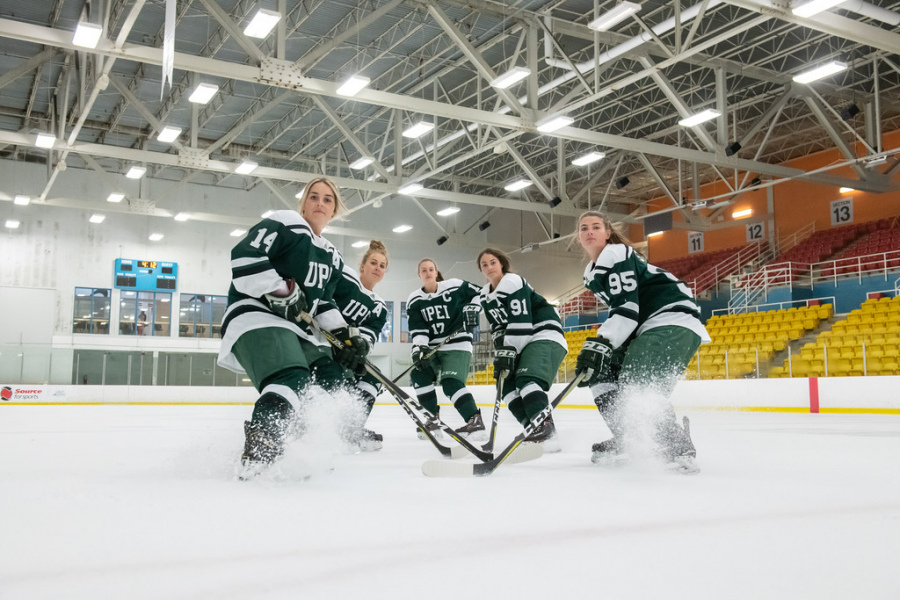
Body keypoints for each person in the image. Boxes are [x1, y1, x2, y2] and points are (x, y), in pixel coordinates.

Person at [217, 177, 370, 476]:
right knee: (293, 375)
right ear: (303, 203)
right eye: (314, 196)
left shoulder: (332, 255)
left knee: (329, 375)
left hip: (294, 328)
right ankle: (262, 441)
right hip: (255, 314)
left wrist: (344, 337)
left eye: (327, 199)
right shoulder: (286, 222)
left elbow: (322, 304)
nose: (320, 203)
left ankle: (296, 440)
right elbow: (244, 255)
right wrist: (280, 290)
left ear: (335, 208)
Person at [574, 210, 710, 472]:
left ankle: (676, 443)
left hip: (671, 320)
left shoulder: (617, 253)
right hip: (645, 327)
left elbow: (627, 310)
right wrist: (599, 350)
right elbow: (623, 314)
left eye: (595, 227)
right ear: (578, 238)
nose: (589, 231)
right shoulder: (591, 273)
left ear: (608, 232)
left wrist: (600, 342)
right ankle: (628, 436)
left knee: (639, 380)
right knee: (599, 374)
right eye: (583, 228)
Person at [476, 248, 568, 451]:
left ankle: (545, 427)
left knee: (527, 379)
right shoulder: (485, 296)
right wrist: (502, 356)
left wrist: (509, 351)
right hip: (522, 341)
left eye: (493, 262)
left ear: (501, 264)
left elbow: (521, 323)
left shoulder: (512, 282)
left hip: (543, 334)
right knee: (505, 386)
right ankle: (533, 429)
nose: (489, 267)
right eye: (484, 264)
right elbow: (498, 329)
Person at [406, 258, 485, 438]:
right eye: (423, 270)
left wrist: (473, 307)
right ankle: (432, 420)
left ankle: (474, 420)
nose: (427, 272)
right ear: (419, 275)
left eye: (431, 269)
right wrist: (419, 348)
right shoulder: (414, 299)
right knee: (419, 374)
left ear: (436, 272)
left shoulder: (455, 286)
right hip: (432, 348)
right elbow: (419, 329)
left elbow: (482, 293)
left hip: (457, 343)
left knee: (451, 383)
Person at [331, 241, 390, 451]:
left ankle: (352, 428)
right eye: (373, 262)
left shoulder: (379, 306)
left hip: (346, 354)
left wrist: (360, 349)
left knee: (373, 376)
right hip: (321, 344)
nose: (377, 268)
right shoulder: (346, 277)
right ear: (362, 265)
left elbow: (369, 336)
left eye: (382, 266)